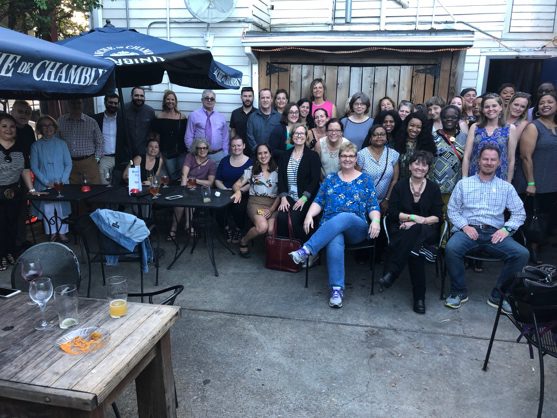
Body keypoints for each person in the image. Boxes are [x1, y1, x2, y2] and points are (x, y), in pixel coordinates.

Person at [289, 142, 381, 308]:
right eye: (344, 156)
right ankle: (337, 290)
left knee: (345, 216)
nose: (347, 159)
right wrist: (309, 215)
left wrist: (375, 221)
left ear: (356, 159)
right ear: (339, 159)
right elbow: (319, 201)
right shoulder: (330, 179)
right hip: (331, 229)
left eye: (351, 156)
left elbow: (373, 206)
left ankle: (307, 249)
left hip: (356, 228)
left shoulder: (365, 180)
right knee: (335, 238)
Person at [444, 145, 529, 313]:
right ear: (478, 161)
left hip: (495, 234)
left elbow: (519, 213)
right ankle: (458, 292)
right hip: (469, 231)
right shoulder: (464, 184)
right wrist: (464, 226)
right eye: (485, 159)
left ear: (498, 163)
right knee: (451, 248)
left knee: (522, 254)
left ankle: (499, 295)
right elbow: (452, 210)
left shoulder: (506, 188)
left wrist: (506, 229)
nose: (488, 163)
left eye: (493, 160)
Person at [379, 151, 443, 314]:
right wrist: (414, 217)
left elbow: (437, 217)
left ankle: (393, 272)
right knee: (416, 252)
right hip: (400, 229)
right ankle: (419, 298)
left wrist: (415, 223)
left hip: (427, 231)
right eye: (417, 163)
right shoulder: (400, 186)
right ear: (410, 166)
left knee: (416, 232)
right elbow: (392, 212)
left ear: (428, 168)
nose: (420, 167)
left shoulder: (434, 188)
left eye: (424, 164)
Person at [515, 92, 557, 264]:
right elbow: (526, 156)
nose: (545, 104)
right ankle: (528, 255)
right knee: (532, 220)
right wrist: (531, 182)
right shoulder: (533, 127)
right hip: (533, 183)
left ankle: (538, 249)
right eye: (542, 103)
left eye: (550, 102)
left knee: (546, 218)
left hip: (551, 184)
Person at [0, 114, 35, 270]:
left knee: (13, 225)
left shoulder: (20, 147)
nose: (9, 129)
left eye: (12, 126)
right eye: (4, 126)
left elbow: (25, 170)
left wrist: (31, 189)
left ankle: (10, 252)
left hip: (15, 191)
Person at [232, 143, 280, 258]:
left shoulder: (278, 171)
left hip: (273, 204)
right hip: (256, 204)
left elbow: (281, 193)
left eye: (265, 153)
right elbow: (236, 185)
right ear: (256, 155)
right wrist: (238, 191)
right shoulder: (252, 170)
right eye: (260, 153)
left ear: (270, 154)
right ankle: (244, 240)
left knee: (270, 229)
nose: (263, 156)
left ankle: (270, 252)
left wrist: (272, 209)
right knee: (262, 227)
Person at [30, 116, 72, 242]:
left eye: (50, 125)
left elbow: (68, 163)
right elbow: (34, 167)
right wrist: (46, 182)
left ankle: (63, 232)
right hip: (44, 183)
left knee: (61, 208)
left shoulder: (62, 144)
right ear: (40, 129)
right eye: (44, 125)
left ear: (55, 127)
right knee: (48, 209)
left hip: (61, 182)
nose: (48, 128)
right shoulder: (36, 146)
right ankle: (52, 232)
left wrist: (62, 180)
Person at [277, 123, 321, 242]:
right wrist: (283, 197)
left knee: (295, 219)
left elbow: (315, 179)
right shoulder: (285, 155)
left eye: (302, 133)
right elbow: (280, 178)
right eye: (296, 133)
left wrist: (304, 198)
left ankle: (301, 250)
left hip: (305, 198)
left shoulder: (312, 156)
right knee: (281, 217)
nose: (299, 135)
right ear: (292, 136)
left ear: (306, 136)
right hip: (289, 197)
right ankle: (281, 251)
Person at [462, 93, 517, 182]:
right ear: (482, 110)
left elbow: (511, 159)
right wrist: (464, 178)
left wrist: (509, 182)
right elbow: (467, 156)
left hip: (499, 177)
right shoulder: (475, 127)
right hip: (475, 176)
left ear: (500, 108)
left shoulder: (510, 128)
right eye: (487, 107)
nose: (491, 109)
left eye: (494, 106)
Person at [168, 138, 216, 240]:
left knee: (192, 200)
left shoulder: (211, 163)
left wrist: (195, 181)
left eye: (204, 148)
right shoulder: (190, 157)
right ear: (196, 149)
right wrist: (183, 189)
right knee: (180, 203)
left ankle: (188, 225)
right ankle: (173, 229)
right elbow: (184, 174)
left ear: (208, 149)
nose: (202, 150)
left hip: (200, 190)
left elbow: (210, 183)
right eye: (199, 148)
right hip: (186, 185)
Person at [57, 98, 103, 184]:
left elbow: (100, 142)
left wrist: (96, 159)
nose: (76, 105)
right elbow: (56, 142)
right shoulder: (60, 121)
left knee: (94, 190)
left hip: (89, 162)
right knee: (73, 192)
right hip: (69, 164)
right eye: (73, 103)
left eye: (79, 103)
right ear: (68, 104)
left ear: (83, 105)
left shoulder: (91, 122)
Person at [215, 137, 252, 243]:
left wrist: (239, 191)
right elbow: (217, 180)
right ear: (230, 147)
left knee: (239, 208)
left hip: (242, 193)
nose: (236, 148)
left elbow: (251, 183)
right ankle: (226, 228)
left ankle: (238, 229)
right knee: (219, 208)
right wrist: (225, 189)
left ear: (244, 146)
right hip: (224, 191)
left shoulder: (250, 162)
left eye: (239, 145)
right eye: (234, 145)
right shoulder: (224, 160)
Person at [11, 100, 36, 250]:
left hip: (24, 173)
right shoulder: (5, 127)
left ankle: (20, 241)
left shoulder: (28, 130)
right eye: (20, 111)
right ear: (12, 111)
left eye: (27, 112)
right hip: (6, 175)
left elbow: (31, 152)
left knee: (21, 210)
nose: (24, 115)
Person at [358, 124, 400, 213]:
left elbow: (394, 180)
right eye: (375, 134)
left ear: (386, 137)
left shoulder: (393, 154)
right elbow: (356, 179)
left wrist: (387, 199)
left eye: (382, 134)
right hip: (364, 201)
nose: (379, 137)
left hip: (384, 202)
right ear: (370, 137)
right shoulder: (362, 154)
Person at [432, 105, 467, 206]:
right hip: (434, 187)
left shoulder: (465, 138)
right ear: (441, 118)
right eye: (445, 117)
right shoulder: (432, 137)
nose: (449, 119)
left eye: (453, 117)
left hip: (455, 188)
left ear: (458, 119)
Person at [151, 90, 187, 181]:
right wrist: (158, 151)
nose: (170, 101)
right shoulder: (159, 117)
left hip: (181, 152)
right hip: (166, 153)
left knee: (182, 175)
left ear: (175, 102)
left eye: (172, 99)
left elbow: (186, 134)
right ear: (164, 101)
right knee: (173, 176)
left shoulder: (182, 117)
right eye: (168, 99)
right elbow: (157, 136)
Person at [185, 89, 228, 164]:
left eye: (212, 99)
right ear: (202, 100)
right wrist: (193, 153)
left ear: (215, 101)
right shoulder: (193, 115)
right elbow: (189, 136)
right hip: (199, 155)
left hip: (218, 155)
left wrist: (225, 153)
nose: (209, 100)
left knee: (219, 176)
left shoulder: (221, 117)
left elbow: (225, 137)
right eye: (206, 98)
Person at [93, 93, 128, 185]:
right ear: (105, 103)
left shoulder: (123, 119)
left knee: (119, 186)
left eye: (115, 103)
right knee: (104, 186)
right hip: (104, 158)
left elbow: (128, 140)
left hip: (120, 158)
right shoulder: (96, 119)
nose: (113, 105)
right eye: (110, 102)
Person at [393, 112, 436, 179]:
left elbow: (430, 171)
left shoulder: (427, 145)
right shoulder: (397, 141)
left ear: (423, 129)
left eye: (418, 127)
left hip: (419, 184)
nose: (414, 129)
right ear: (406, 125)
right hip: (399, 184)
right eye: (412, 125)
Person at [246, 88, 281, 154]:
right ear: (259, 100)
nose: (265, 100)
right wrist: (258, 151)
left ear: (271, 100)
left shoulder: (278, 117)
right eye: (263, 98)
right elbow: (250, 136)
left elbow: (281, 137)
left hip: (274, 155)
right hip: (257, 155)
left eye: (267, 97)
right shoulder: (252, 117)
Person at [124, 86, 155, 156]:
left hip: (144, 151)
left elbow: (152, 132)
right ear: (131, 96)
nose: (139, 98)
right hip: (127, 151)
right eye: (136, 95)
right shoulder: (123, 109)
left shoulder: (150, 111)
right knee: (129, 167)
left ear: (144, 97)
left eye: (141, 96)